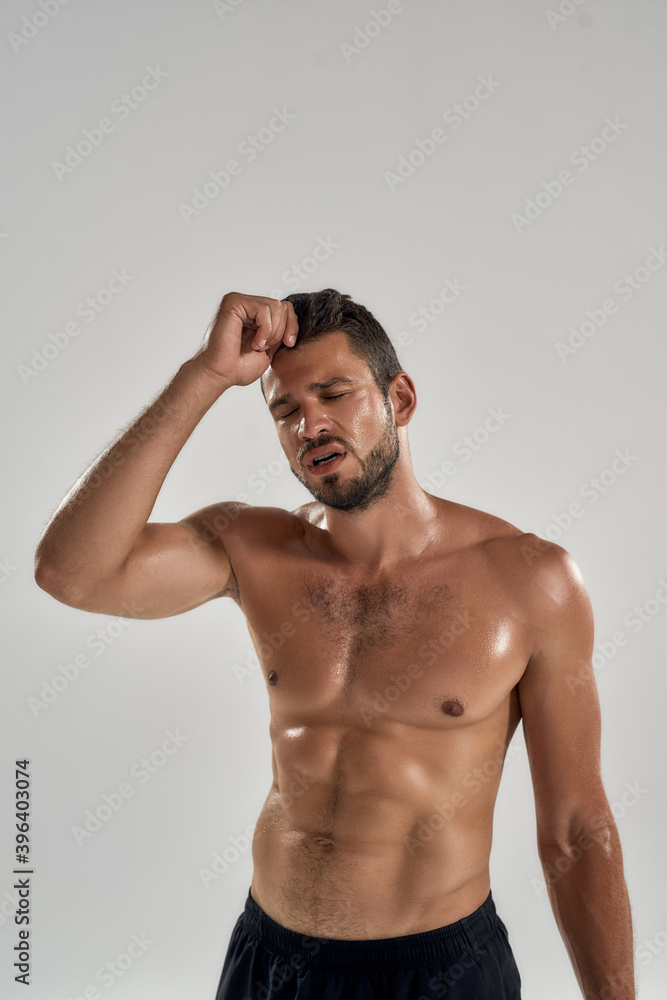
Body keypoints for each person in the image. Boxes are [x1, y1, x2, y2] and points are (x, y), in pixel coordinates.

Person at [34, 290, 636, 999]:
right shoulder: (253, 548)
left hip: (438, 974)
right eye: (284, 410)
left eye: (333, 393)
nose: (308, 423)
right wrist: (203, 374)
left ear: (399, 399)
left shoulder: (529, 580)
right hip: (270, 960)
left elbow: (575, 830)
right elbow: (71, 573)